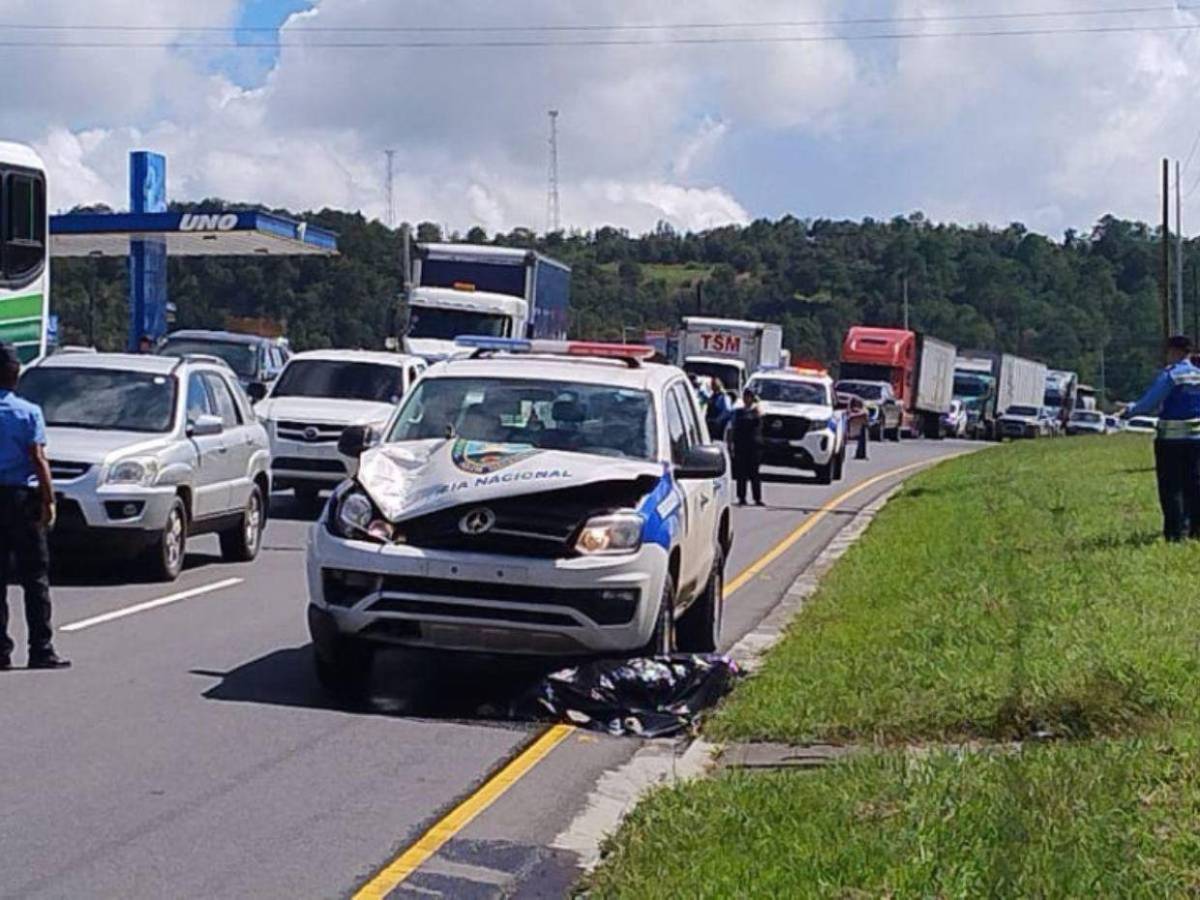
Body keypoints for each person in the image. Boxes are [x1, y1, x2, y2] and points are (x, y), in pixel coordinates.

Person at [0, 342, 69, 669]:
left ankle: (0, 651)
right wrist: (49, 499)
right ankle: (41, 648)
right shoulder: (28, 412)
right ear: (15, 376)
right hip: (21, 502)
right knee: (34, 577)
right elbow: (38, 459)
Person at [1123, 334, 1200, 542]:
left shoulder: (1171, 376)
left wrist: (1129, 410)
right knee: (1194, 484)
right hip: (1196, 439)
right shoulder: (1198, 375)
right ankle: (1196, 529)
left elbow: (1148, 404)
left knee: (1172, 486)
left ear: (1173, 351)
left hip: (1171, 440)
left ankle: (1175, 533)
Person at [728, 386, 765, 506]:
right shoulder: (738, 412)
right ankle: (741, 497)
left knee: (754, 473)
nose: (747, 399)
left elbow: (761, 416)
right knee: (741, 473)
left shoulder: (757, 411)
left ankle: (757, 498)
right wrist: (730, 444)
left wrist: (757, 403)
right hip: (741, 445)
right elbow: (732, 428)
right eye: (745, 396)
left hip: (754, 446)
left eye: (749, 396)